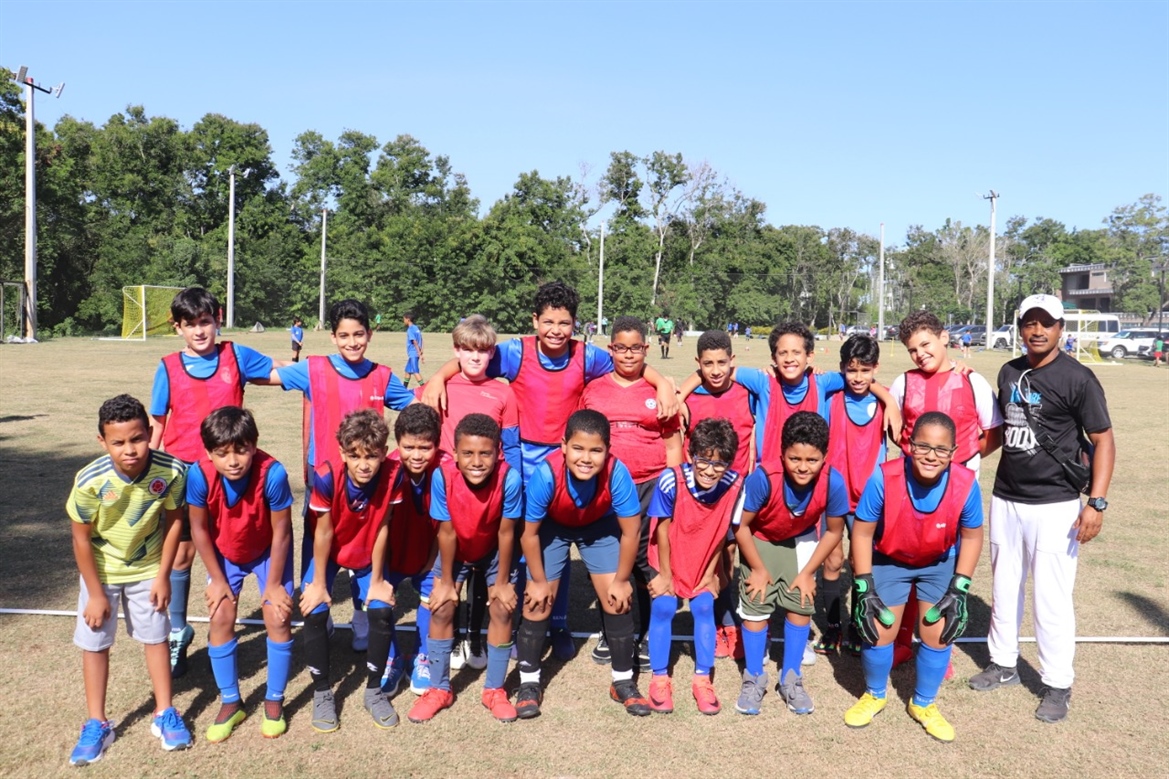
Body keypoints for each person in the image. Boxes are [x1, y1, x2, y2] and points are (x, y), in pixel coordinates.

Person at [422, 281, 678, 659]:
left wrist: (663, 385)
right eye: (548, 322)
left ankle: (556, 623)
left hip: (567, 460)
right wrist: (438, 378)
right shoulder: (516, 352)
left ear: (575, 324)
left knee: (559, 533)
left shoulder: (586, 356)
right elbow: (470, 356)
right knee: (526, 540)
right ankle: (523, 620)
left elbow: (632, 363)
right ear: (534, 321)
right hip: (521, 460)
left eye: (564, 322)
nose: (556, 330)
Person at [969, 293, 1115, 724]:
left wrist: (1097, 503)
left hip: (1056, 505)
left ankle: (1057, 683)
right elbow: (998, 432)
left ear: (1059, 329)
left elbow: (1103, 440)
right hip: (1006, 498)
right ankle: (1003, 664)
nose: (1037, 330)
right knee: (1004, 588)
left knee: (1051, 599)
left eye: (1045, 323)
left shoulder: (1079, 378)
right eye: (1029, 323)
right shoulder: (1009, 372)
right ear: (1019, 328)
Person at [270, 298, 414, 652]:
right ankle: (321, 607)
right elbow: (268, 374)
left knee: (364, 546)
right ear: (333, 337)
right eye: (344, 335)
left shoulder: (382, 376)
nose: (353, 342)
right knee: (318, 542)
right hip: (325, 485)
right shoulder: (314, 368)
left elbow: (414, 405)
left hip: (370, 483)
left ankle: (362, 617)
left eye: (359, 334)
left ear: (369, 334)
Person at [149, 286, 277, 679]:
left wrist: (325, 374)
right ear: (178, 327)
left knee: (237, 544)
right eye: (190, 325)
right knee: (183, 554)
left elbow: (278, 373)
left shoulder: (235, 356)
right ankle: (177, 631)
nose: (199, 331)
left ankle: (226, 604)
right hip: (188, 479)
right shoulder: (168, 367)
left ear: (217, 319)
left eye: (205, 322)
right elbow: (157, 423)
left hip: (231, 476)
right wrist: (148, 476)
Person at [845, 412, 984, 742]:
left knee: (939, 630)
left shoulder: (966, 484)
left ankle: (923, 703)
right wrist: (865, 587)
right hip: (889, 559)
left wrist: (960, 587)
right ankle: (875, 694)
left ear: (953, 452)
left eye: (941, 449)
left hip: (937, 563)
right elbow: (862, 534)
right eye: (923, 446)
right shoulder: (884, 478)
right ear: (908, 445)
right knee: (879, 628)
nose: (931, 456)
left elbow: (973, 536)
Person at [68, 395, 191, 765]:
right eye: (118, 442)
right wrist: (94, 594)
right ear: (102, 442)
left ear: (150, 433)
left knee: (156, 638)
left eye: (137, 439)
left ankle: (164, 712)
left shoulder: (172, 471)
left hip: (148, 570)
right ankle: (96, 722)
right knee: (96, 642)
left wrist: (164, 575)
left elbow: (175, 522)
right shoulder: (90, 481)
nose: (130, 450)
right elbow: (80, 538)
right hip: (101, 573)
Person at [513, 410, 650, 718]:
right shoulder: (546, 474)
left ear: (608, 451)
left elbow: (630, 531)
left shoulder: (617, 473)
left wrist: (622, 579)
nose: (586, 458)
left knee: (617, 600)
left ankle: (622, 681)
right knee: (537, 602)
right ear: (563, 446)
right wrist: (536, 581)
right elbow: (529, 533)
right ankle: (529, 683)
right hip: (552, 528)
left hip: (597, 529)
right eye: (578, 448)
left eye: (596, 450)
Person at [889, 311, 1002, 669]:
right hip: (911, 494)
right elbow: (895, 430)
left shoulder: (973, 382)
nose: (920, 353)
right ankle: (902, 642)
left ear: (943, 338)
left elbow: (993, 431)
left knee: (947, 568)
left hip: (955, 496)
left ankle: (940, 644)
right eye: (912, 349)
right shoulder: (903, 383)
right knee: (907, 564)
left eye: (925, 344)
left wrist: (961, 463)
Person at [405, 414, 524, 723]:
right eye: (468, 453)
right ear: (455, 453)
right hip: (455, 550)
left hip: (495, 551)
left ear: (498, 453)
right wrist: (446, 581)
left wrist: (500, 582)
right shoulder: (443, 477)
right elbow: (446, 532)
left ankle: (494, 690)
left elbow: (506, 532)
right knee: (441, 607)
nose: (476, 461)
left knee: (501, 607)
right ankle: (439, 688)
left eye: (485, 453)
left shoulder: (509, 477)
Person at [417, 314, 520, 670]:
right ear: (456, 350)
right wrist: (437, 377)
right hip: (450, 491)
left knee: (485, 568)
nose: (475, 357)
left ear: (492, 353)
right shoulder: (441, 387)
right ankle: (435, 648)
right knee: (444, 569)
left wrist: (513, 484)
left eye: (482, 351)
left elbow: (511, 445)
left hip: (491, 490)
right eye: (466, 350)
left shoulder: (504, 391)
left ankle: (475, 639)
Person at [580, 316, 684, 668]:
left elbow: (672, 442)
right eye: (621, 347)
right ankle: (614, 632)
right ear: (611, 349)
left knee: (644, 561)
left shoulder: (657, 391)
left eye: (635, 348)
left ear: (646, 349)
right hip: (605, 488)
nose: (628, 354)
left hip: (649, 486)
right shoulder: (594, 389)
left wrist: (671, 488)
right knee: (609, 561)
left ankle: (645, 634)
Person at [186, 407, 294, 741]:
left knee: (277, 616)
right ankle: (231, 701)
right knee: (220, 616)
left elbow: (282, 532)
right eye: (222, 453)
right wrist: (217, 579)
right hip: (225, 553)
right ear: (209, 453)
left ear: (254, 444)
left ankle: (274, 700)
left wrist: (274, 584)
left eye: (241, 450)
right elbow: (199, 529)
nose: (233, 461)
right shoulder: (199, 475)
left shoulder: (272, 473)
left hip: (267, 552)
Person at [733, 412, 848, 716]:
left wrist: (810, 572)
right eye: (794, 458)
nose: (802, 466)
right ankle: (754, 677)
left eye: (812, 460)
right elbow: (741, 527)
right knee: (756, 605)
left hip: (802, 540)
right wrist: (758, 569)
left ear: (825, 456)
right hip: (761, 540)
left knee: (800, 604)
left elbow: (834, 531)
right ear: (782, 453)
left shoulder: (833, 482)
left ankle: (791, 678)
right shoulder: (763, 478)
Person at [300, 410, 402, 733]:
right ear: (342, 453)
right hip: (330, 551)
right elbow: (323, 532)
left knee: (382, 608)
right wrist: (318, 583)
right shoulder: (327, 475)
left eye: (372, 456)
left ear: (384, 453)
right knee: (314, 610)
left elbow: (383, 526)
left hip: (366, 549)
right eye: (355, 456)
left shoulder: (393, 475)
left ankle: (374, 691)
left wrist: (377, 580)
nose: (364, 464)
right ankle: (322, 692)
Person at [644, 418, 745, 715]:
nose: (710, 470)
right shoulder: (670, 479)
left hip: (703, 557)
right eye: (704, 460)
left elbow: (720, 531)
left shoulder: (736, 485)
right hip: (669, 556)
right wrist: (665, 575)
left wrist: (712, 573)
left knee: (703, 607)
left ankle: (703, 679)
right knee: (663, 607)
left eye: (719, 464)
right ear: (691, 454)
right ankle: (660, 677)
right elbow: (662, 529)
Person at [684, 329, 755, 660]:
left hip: (740, 491)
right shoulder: (689, 397)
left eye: (721, 363)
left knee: (735, 556)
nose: (715, 370)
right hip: (703, 494)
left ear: (732, 362)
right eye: (708, 363)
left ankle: (742, 620)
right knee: (714, 559)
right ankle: (724, 623)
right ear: (698, 364)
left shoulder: (747, 393)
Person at [818, 334, 888, 656]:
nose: (858, 378)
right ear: (843, 369)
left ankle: (860, 625)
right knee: (831, 559)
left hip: (870, 501)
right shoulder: (830, 399)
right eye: (851, 370)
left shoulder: (886, 404)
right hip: (834, 496)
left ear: (875, 369)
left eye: (864, 370)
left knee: (861, 562)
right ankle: (833, 626)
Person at [372, 403, 445, 696]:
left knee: (435, 597)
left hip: (428, 552)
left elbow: (448, 525)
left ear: (437, 445)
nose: (416, 455)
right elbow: (377, 526)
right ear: (397, 443)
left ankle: (422, 656)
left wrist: (434, 561)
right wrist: (378, 572)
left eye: (425, 447)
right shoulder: (385, 470)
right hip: (390, 554)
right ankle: (391, 658)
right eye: (409, 447)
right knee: (379, 599)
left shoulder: (446, 468)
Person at [404, 311, 425, 387]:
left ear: (408, 319)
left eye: (404, 319)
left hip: (414, 353)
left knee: (415, 371)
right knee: (407, 371)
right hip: (414, 353)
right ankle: (404, 389)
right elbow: (421, 339)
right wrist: (422, 350)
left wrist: (419, 353)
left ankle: (424, 388)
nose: (404, 321)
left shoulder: (410, 330)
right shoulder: (416, 328)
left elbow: (414, 342)